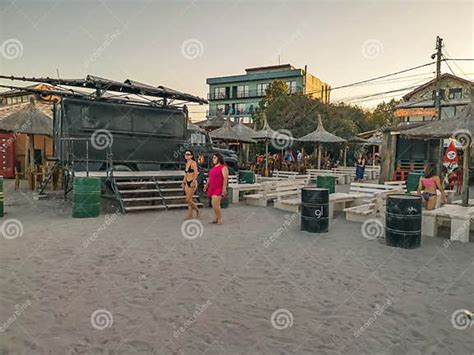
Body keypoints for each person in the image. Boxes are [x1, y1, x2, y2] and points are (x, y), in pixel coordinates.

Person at [204, 153, 229, 225]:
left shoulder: (223, 167)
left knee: (215, 203)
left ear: (219, 158)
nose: (213, 159)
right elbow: (209, 178)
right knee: (214, 204)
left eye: (215, 157)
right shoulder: (213, 168)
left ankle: (220, 218)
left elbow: (225, 178)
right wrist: (206, 185)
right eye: (213, 158)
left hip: (219, 187)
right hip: (212, 187)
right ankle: (216, 217)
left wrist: (224, 188)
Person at [182, 150, 200, 219]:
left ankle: (197, 210)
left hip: (193, 182)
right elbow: (186, 174)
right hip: (187, 181)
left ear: (191, 156)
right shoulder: (187, 163)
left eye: (188, 154)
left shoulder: (193, 163)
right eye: (185, 154)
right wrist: (183, 182)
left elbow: (196, 173)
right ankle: (190, 215)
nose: (186, 155)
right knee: (189, 200)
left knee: (188, 199)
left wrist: (193, 181)